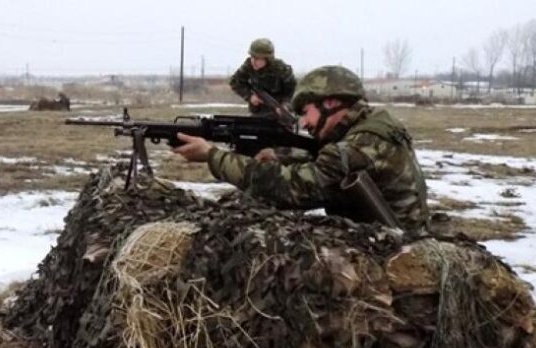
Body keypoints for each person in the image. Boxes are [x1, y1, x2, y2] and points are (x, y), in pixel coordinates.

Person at [174, 65, 428, 232]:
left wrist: (212, 156)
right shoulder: (372, 125)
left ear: (331, 102)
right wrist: (279, 155)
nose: (304, 122)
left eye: (306, 113)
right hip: (397, 236)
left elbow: (290, 190)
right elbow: (324, 160)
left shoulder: (360, 146)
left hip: (395, 253)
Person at [229, 38, 297, 117]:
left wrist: (285, 106)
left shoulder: (282, 69)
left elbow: (293, 91)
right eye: (252, 57)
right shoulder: (249, 65)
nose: (253, 61)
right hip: (258, 112)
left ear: (267, 59)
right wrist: (250, 96)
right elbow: (235, 82)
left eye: (257, 58)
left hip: (279, 114)